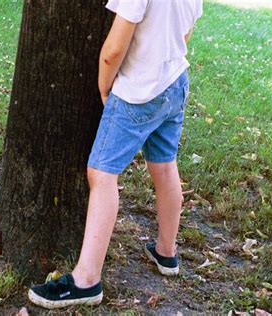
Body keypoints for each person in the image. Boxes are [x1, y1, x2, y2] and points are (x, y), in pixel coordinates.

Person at [28, 0, 203, 309]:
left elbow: (113, 49)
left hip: (138, 91)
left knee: (102, 174)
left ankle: (85, 280)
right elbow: (186, 33)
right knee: (164, 166)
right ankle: (166, 251)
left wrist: (105, 87)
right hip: (175, 82)